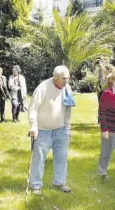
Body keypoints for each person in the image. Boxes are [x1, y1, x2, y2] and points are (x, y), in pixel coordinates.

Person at [28, 65, 75, 195]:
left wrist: (68, 127)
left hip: (61, 129)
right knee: (39, 159)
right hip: (43, 130)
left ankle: (59, 183)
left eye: (68, 78)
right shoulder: (43, 87)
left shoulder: (67, 88)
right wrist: (33, 126)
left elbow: (68, 109)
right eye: (64, 78)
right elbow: (32, 108)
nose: (66, 81)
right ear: (55, 77)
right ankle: (36, 185)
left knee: (62, 157)